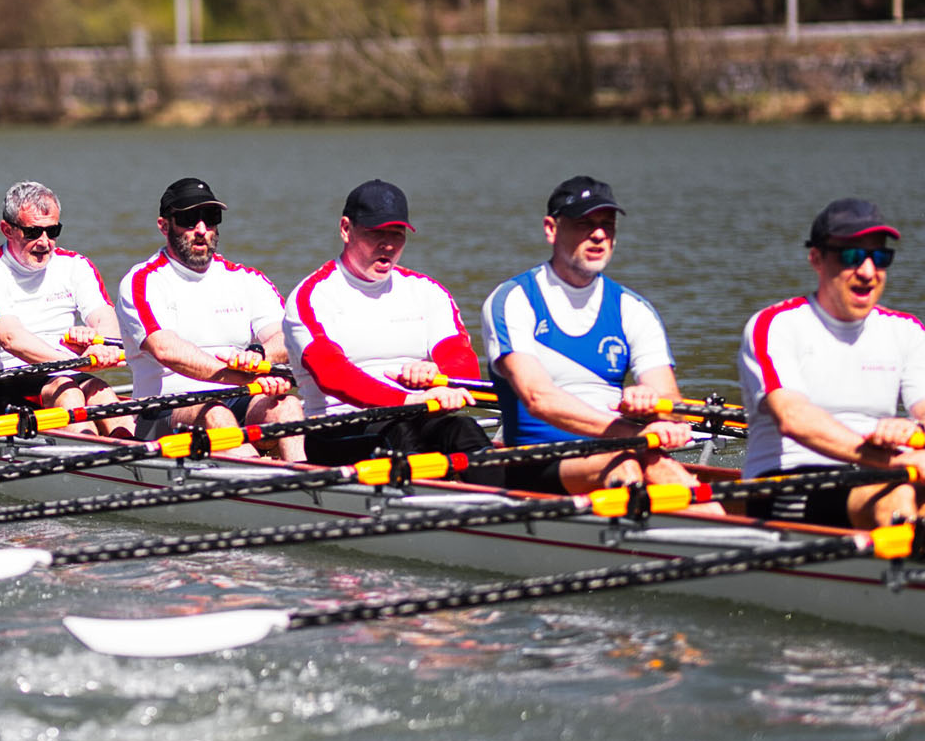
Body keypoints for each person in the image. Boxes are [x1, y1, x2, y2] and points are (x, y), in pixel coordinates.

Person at [480, 176, 718, 509]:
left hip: (619, 450)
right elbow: (538, 398)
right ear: (551, 228)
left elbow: (670, 402)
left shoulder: (632, 309)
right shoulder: (515, 299)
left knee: (668, 473)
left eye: (607, 225)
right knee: (627, 463)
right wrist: (629, 432)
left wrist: (655, 411)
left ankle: (734, 549)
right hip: (534, 463)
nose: (599, 234)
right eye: (584, 224)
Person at [283, 179, 496, 477]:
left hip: (418, 413)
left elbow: (463, 363)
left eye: (396, 235)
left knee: (463, 428)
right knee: (400, 435)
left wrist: (440, 376)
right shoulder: (312, 296)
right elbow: (332, 375)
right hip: (338, 428)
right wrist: (409, 399)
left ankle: (510, 504)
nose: (388, 245)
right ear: (346, 229)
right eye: (376, 233)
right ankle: (442, 507)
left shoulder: (428, 291)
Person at [738, 198, 925, 528]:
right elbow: (794, 418)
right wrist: (887, 460)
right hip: (789, 482)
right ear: (816, 259)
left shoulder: (906, 331)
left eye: (879, 257)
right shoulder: (777, 325)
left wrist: (914, 429)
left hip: (879, 473)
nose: (867, 272)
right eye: (851, 256)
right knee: (899, 497)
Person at [115, 177, 304, 460]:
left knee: (287, 406)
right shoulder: (143, 282)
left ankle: (306, 484)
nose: (202, 230)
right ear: (164, 225)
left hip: (238, 396)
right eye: (189, 220)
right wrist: (242, 377)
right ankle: (258, 485)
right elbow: (166, 350)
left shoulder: (247, 279)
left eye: (210, 218)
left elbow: (286, 339)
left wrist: (259, 355)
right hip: (165, 408)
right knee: (215, 414)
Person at [0, 181, 131, 436]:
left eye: (53, 231)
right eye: (33, 232)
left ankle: (131, 458)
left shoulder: (75, 265)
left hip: (65, 373)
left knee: (102, 393)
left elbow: (105, 320)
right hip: (1, 382)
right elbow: (12, 340)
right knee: (68, 391)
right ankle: (87, 463)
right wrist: (80, 361)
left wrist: (101, 345)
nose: (45, 242)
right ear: (6, 230)